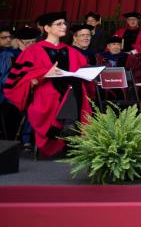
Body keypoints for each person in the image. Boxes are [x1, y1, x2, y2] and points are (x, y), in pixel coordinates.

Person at [2, 12, 93, 157]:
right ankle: (66, 126)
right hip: (46, 91)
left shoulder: (71, 51)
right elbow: (19, 79)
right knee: (58, 89)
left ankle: (69, 124)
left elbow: (84, 70)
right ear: (47, 28)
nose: (64, 26)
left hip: (71, 90)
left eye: (64, 23)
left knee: (76, 83)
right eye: (59, 24)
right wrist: (43, 73)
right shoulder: (33, 50)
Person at [0, 27, 21, 140]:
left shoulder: (11, 53)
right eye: (4, 38)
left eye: (10, 37)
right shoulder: (6, 54)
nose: (8, 40)